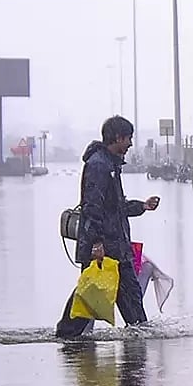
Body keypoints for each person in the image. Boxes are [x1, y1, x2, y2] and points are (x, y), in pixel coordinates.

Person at [56, 115, 161, 339]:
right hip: (104, 250)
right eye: (128, 138)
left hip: (118, 250)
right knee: (89, 297)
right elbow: (92, 208)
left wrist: (142, 206)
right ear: (117, 137)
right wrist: (96, 244)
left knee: (131, 304)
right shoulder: (99, 166)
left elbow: (116, 206)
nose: (131, 144)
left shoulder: (111, 165)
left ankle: (137, 354)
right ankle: (65, 337)